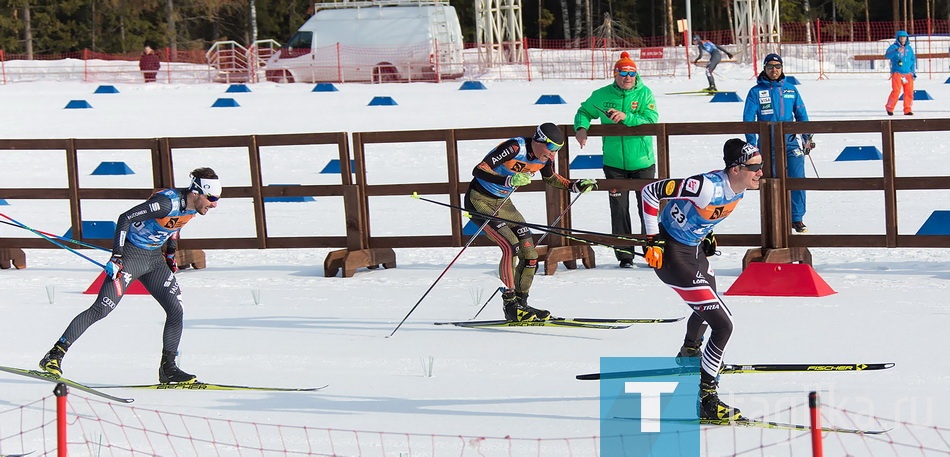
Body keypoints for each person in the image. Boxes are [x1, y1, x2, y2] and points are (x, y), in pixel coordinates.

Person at [39, 168, 222, 384]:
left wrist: (171, 254)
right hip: (130, 257)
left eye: (217, 199)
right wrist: (117, 257)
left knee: (175, 310)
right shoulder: (166, 203)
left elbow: (175, 226)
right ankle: (54, 355)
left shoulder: (193, 208)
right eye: (211, 198)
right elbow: (124, 218)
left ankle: (168, 369)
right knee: (102, 308)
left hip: (154, 261)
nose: (214, 204)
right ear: (196, 192)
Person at [640, 138, 763, 421]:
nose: (760, 172)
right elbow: (650, 191)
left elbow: (694, 212)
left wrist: (705, 231)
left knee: (709, 313)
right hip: (672, 256)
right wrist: (652, 239)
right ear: (735, 169)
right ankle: (707, 398)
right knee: (723, 324)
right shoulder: (705, 186)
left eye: (761, 166)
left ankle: (689, 354)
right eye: (754, 167)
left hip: (693, 251)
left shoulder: (740, 188)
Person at [464, 123, 597, 321]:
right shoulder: (515, 148)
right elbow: (479, 169)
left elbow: (550, 178)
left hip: (503, 203)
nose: (553, 155)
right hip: (479, 201)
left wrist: (574, 186)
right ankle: (510, 304)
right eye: (551, 148)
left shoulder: (545, 159)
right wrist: (508, 181)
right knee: (511, 246)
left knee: (531, 254)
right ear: (538, 141)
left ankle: (521, 304)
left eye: (557, 150)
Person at [573, 51, 659, 268]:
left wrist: (626, 117)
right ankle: (625, 256)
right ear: (615, 74)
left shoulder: (644, 94)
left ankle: (653, 253)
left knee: (647, 209)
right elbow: (583, 111)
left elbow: (651, 120)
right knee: (619, 209)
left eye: (631, 73)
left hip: (642, 162)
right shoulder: (602, 95)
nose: (627, 77)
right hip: (614, 164)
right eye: (623, 72)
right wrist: (581, 128)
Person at [742, 53, 814, 233]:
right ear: (764, 69)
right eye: (770, 67)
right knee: (771, 182)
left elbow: (801, 115)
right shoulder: (755, 92)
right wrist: (752, 145)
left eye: (777, 67)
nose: (774, 70)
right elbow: (748, 119)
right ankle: (774, 218)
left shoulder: (791, 89)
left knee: (797, 179)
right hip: (767, 145)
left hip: (790, 144)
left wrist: (807, 137)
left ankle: (796, 218)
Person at [885, 30, 917, 116]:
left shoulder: (909, 48)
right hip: (897, 73)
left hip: (908, 74)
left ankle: (907, 109)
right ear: (898, 38)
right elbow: (887, 55)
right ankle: (890, 107)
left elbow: (913, 60)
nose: (903, 39)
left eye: (904, 37)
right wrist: (896, 51)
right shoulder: (893, 47)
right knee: (896, 91)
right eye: (901, 37)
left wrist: (913, 71)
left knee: (909, 92)